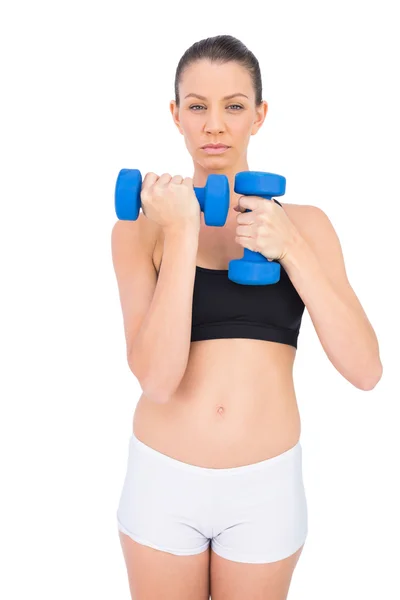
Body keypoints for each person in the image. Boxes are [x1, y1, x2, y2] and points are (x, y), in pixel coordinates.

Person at [112, 35, 382, 600]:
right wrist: (183, 231)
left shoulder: (308, 225)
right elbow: (157, 379)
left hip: (266, 488)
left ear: (259, 116)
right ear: (175, 115)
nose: (214, 125)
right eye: (197, 106)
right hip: (164, 479)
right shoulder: (141, 228)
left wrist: (292, 249)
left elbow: (365, 370)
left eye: (234, 106)